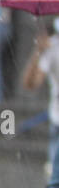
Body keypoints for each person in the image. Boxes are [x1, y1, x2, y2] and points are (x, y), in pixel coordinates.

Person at [21, 19, 59, 176]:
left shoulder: (53, 47)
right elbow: (31, 83)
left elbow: (30, 84)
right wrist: (39, 51)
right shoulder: (53, 48)